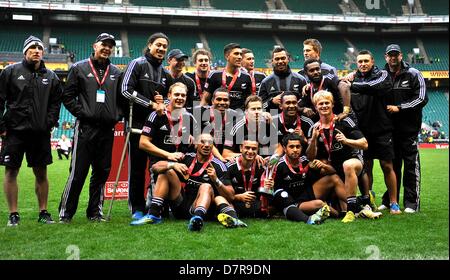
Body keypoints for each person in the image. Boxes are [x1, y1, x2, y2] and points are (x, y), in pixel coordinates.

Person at [58, 33, 122, 223]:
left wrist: (116, 115)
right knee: (78, 173)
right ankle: (66, 213)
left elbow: (121, 100)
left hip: (107, 130)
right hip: (86, 129)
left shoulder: (116, 72)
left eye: (110, 46)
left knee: (101, 173)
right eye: (104, 44)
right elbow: (67, 96)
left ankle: (94, 212)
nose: (107, 48)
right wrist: (83, 113)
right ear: (95, 46)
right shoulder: (79, 68)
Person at [0, 35, 62, 226]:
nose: (36, 51)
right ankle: (13, 214)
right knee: (11, 172)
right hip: (14, 132)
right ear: (25, 51)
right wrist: (1, 127)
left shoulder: (51, 77)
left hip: (39, 133)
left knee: (41, 173)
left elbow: (55, 103)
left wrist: (49, 122)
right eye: (32, 48)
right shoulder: (10, 72)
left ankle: (43, 212)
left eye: (39, 48)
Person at [131, 133, 244, 230]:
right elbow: (155, 167)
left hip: (202, 208)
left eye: (210, 142)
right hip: (181, 205)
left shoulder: (219, 166)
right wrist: (173, 165)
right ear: (195, 144)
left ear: (212, 146)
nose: (206, 145)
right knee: (167, 171)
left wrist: (216, 180)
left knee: (206, 186)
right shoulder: (186, 158)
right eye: (202, 142)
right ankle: (154, 215)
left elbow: (231, 196)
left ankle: (197, 219)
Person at [306, 91, 381, 222]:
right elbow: (310, 157)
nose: (324, 106)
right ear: (316, 107)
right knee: (322, 170)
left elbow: (364, 144)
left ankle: (352, 210)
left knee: (348, 165)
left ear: (332, 104)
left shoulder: (345, 121)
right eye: (320, 104)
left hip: (352, 161)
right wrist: (313, 139)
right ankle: (364, 203)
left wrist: (346, 141)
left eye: (326, 103)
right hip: (333, 168)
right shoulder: (314, 128)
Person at [120, 32, 172, 219]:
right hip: (137, 125)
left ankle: (156, 205)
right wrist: (151, 104)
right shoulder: (137, 63)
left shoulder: (165, 72)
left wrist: (162, 103)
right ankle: (137, 208)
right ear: (149, 45)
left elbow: (167, 100)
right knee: (137, 168)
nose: (161, 49)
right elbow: (126, 91)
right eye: (158, 45)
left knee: (158, 166)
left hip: (156, 128)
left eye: (164, 46)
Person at [342, 50, 401, 215]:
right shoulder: (352, 77)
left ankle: (394, 202)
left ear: (373, 61)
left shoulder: (382, 75)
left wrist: (351, 84)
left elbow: (373, 87)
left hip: (382, 129)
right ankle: (368, 200)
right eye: (360, 61)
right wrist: (345, 81)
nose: (363, 64)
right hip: (363, 131)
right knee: (366, 167)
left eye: (366, 61)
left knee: (387, 165)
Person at [382, 44, 428, 213]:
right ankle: (389, 200)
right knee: (391, 167)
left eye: (395, 55)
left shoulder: (414, 74)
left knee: (410, 167)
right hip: (389, 130)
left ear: (401, 56)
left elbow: (422, 98)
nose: (393, 58)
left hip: (409, 131)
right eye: (390, 55)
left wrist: (400, 107)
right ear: (386, 57)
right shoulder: (381, 75)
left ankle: (411, 203)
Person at [272, 133, 340, 224]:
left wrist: (323, 165)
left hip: (307, 195)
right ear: (284, 148)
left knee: (333, 178)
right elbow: (275, 191)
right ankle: (338, 215)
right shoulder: (279, 166)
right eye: (291, 147)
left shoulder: (305, 161)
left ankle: (351, 208)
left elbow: (333, 171)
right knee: (320, 204)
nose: (295, 150)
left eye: (298, 147)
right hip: (293, 202)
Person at [225, 138, 271, 218]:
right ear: (241, 148)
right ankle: (233, 216)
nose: (250, 151)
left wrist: (269, 187)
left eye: (254, 149)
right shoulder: (229, 167)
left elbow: (268, 193)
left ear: (258, 151)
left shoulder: (261, 167)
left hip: (254, 202)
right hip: (234, 201)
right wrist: (238, 197)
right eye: (247, 148)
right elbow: (222, 193)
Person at [223, 95, 278, 160]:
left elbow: (277, 148)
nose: (257, 112)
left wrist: (273, 159)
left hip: (264, 162)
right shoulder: (235, 127)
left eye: (259, 109)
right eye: (253, 109)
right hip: (243, 163)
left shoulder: (268, 122)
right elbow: (226, 154)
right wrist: (252, 156)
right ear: (246, 112)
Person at [191, 87, 241, 155]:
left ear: (229, 102)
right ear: (212, 101)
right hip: (203, 154)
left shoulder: (236, 116)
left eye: (225, 100)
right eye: (219, 99)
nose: (222, 102)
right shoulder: (200, 112)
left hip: (225, 154)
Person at [203, 43, 252, 110]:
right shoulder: (214, 75)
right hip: (218, 117)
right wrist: (200, 118)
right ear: (227, 56)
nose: (240, 57)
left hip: (238, 118)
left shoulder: (246, 77)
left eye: (241, 54)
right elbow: (205, 100)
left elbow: (249, 102)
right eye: (236, 54)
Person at [258, 47, 307, 114]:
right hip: (274, 120)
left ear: (288, 59)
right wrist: (271, 102)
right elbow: (260, 106)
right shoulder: (266, 82)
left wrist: (297, 106)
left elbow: (307, 101)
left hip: (295, 118)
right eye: (277, 59)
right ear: (272, 61)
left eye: (283, 58)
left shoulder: (300, 79)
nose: (280, 61)